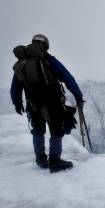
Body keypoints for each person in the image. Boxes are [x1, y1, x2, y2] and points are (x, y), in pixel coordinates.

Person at [10, 34, 84, 172]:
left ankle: (41, 159)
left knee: (38, 130)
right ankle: (55, 161)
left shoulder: (22, 63)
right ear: (45, 45)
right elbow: (68, 78)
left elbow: (15, 86)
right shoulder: (48, 59)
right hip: (53, 102)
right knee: (56, 129)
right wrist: (78, 96)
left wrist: (17, 102)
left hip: (33, 103)